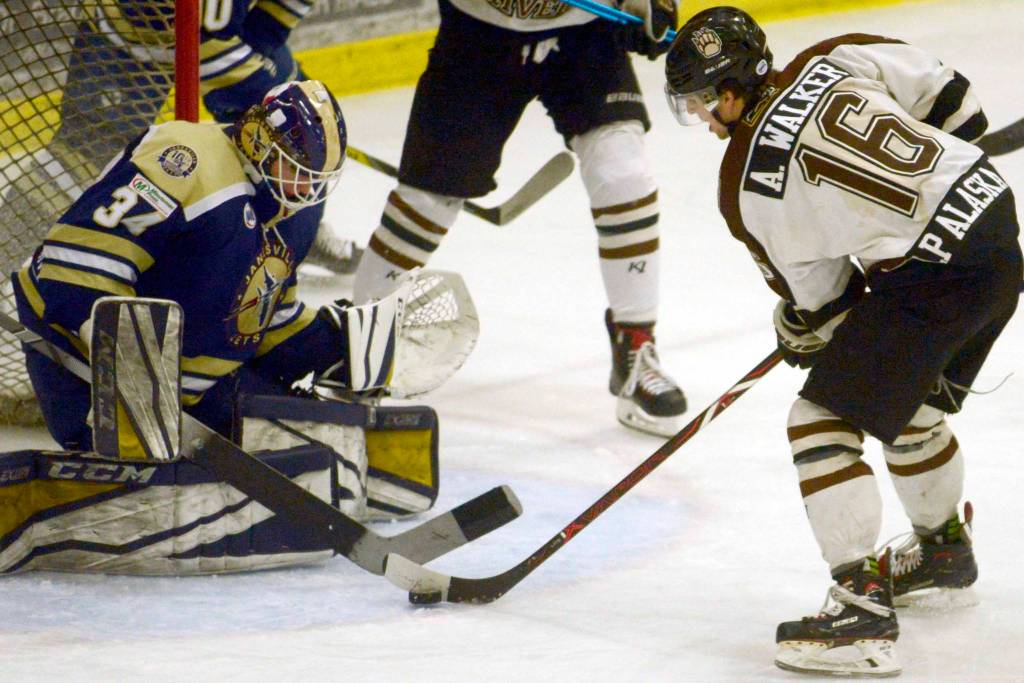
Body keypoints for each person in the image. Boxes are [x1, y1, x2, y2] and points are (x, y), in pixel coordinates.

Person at [663, 6, 1021, 677]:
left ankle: (860, 610)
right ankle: (942, 552)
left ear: (729, 94)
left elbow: (830, 307)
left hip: (932, 278)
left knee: (819, 418)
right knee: (906, 400)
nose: (704, 120)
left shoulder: (745, 187)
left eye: (701, 104)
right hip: (996, 228)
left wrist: (801, 329)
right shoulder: (835, 54)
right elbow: (954, 101)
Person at [346, 0, 688, 436]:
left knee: (623, 174)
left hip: (584, 33)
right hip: (481, 36)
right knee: (426, 204)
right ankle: (359, 354)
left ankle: (635, 347)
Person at [11, 79, 372, 449]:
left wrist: (337, 347)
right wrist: (126, 362)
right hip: (80, 359)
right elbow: (77, 263)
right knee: (140, 451)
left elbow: (263, 316)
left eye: (315, 179)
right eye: (297, 170)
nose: (306, 191)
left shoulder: (291, 213)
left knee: (320, 441)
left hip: (190, 385)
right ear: (261, 141)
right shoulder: (185, 160)